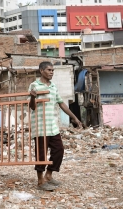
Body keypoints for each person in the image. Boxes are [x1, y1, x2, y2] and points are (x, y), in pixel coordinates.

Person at [29, 61, 83, 191]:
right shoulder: (34, 85)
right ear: (41, 71)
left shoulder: (53, 86)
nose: (51, 72)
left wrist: (74, 118)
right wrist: (32, 97)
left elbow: (61, 103)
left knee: (59, 150)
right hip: (40, 126)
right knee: (41, 153)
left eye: (53, 70)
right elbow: (31, 106)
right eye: (49, 70)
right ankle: (40, 181)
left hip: (52, 125)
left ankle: (49, 175)